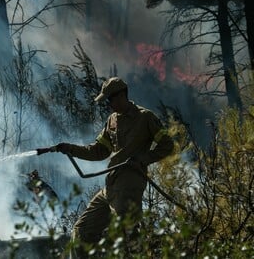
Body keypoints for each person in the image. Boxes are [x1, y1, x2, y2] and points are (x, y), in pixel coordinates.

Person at [37, 77, 174, 257]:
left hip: (129, 185)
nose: (109, 104)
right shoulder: (112, 120)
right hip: (111, 184)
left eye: (110, 99)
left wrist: (142, 159)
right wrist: (69, 148)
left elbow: (167, 145)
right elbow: (98, 151)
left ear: (122, 95)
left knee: (128, 238)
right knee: (82, 231)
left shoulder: (145, 117)